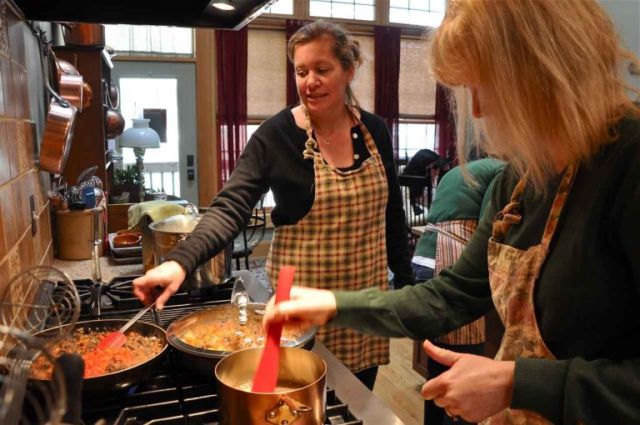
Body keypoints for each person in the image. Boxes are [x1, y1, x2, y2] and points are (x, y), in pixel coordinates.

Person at [263, 1, 640, 424]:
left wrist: (518, 383)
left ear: (546, 69)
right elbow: (453, 295)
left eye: (487, 85)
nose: (477, 110)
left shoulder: (627, 165)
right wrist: (332, 303)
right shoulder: (517, 182)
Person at [132, 20, 414, 390]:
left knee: (358, 398)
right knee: (294, 399)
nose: (309, 81)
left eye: (322, 69)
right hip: (298, 306)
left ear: (349, 70)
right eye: (301, 71)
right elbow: (230, 206)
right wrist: (178, 262)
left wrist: (407, 286)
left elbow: (392, 212)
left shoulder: (374, 131)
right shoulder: (275, 135)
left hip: (362, 300)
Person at [411, 157, 504, 425]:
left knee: (439, 364)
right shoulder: (503, 173)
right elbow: (493, 225)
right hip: (449, 256)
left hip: (422, 258)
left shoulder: (459, 171)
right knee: (464, 361)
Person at [400, 149, 442, 214]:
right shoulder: (403, 190)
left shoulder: (424, 188)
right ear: (422, 169)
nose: (437, 172)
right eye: (435, 167)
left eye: (438, 167)